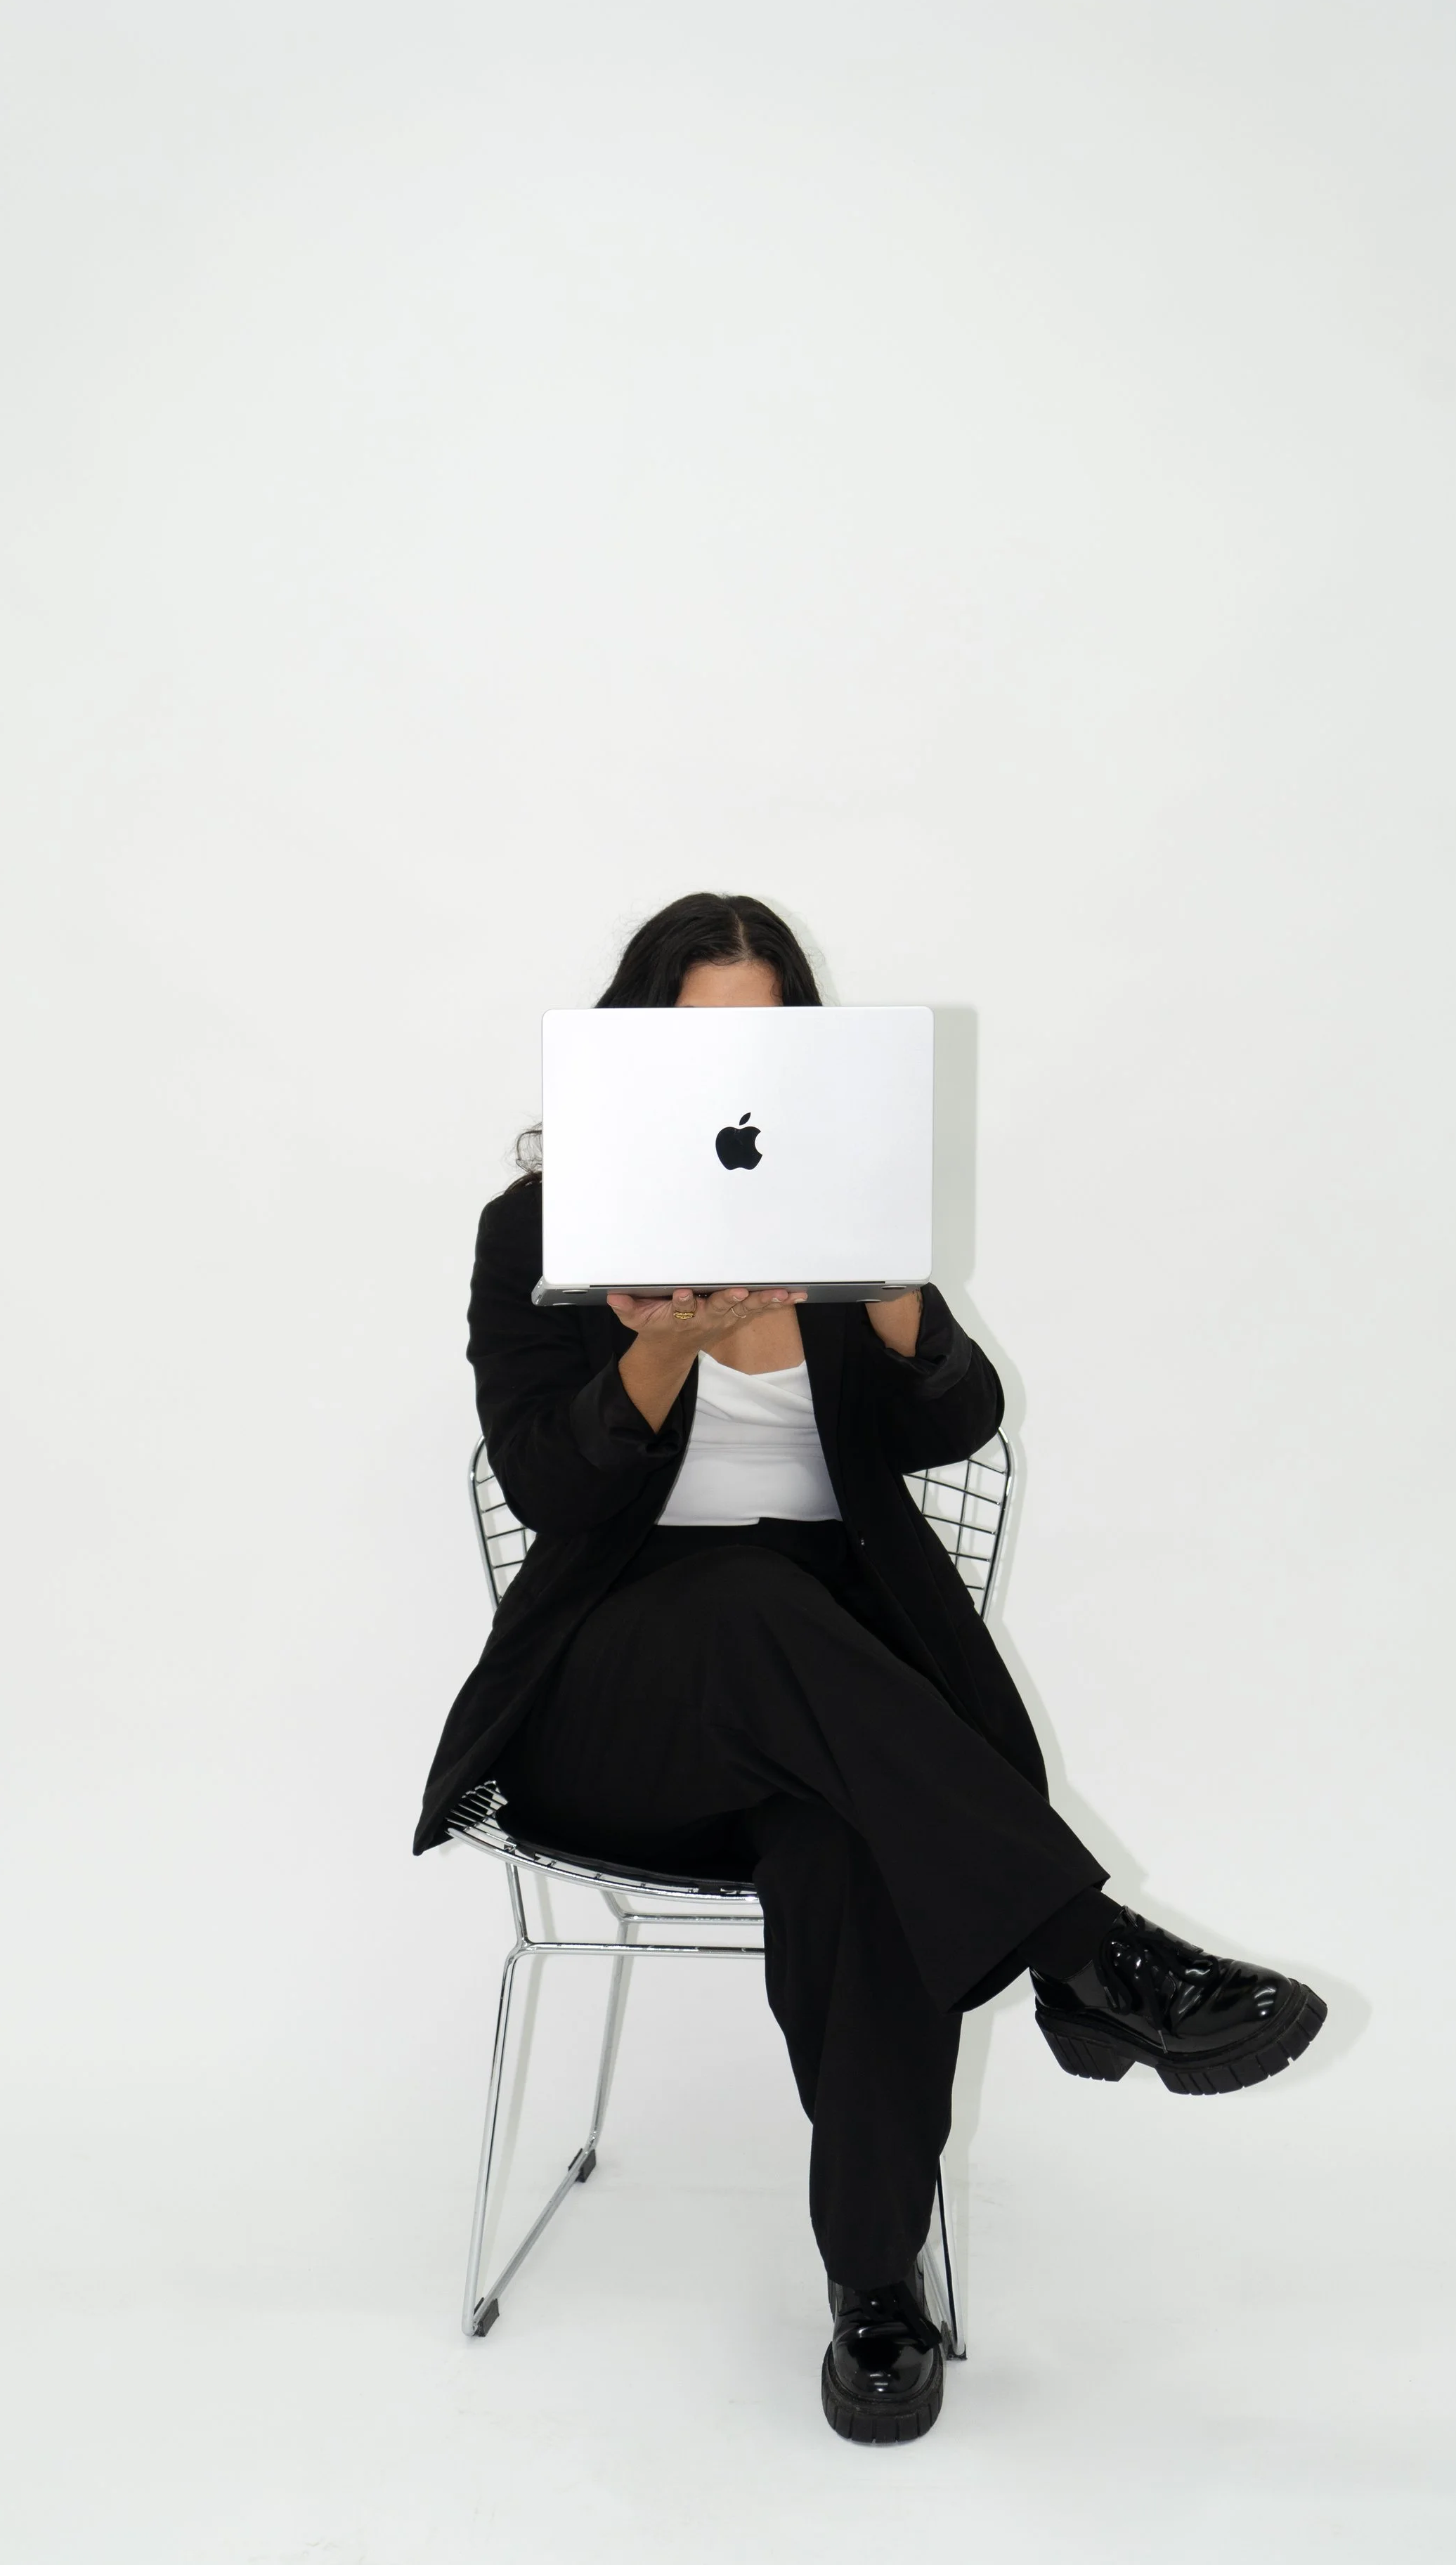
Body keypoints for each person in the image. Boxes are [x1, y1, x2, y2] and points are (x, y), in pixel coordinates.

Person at [413, 891, 1326, 2448]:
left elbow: (952, 1422)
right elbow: (554, 1492)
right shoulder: (542, 1235)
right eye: (700, 1042)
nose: (733, 1078)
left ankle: (873, 2295)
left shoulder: (841, 1214)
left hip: (831, 1720)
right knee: (741, 1603)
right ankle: (1087, 1954)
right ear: (632, 1055)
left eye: (767, 1043)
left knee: (857, 1845)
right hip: (614, 1696)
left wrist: (886, 1296)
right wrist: (659, 1345)